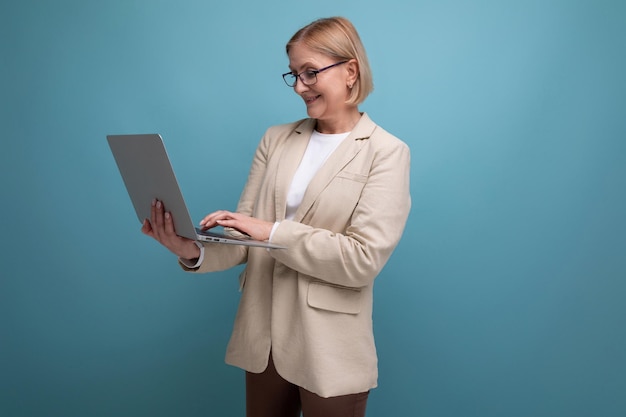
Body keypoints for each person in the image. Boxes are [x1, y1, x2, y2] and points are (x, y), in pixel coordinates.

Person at [141, 16, 411, 417]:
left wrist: (272, 231)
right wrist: (190, 249)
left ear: (350, 71)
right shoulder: (275, 139)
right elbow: (245, 239)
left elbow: (361, 260)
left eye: (310, 72)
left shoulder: (386, 152)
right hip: (263, 341)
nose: (300, 87)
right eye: (294, 75)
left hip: (330, 349)